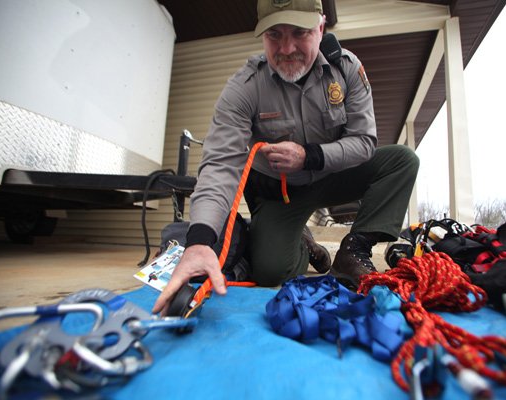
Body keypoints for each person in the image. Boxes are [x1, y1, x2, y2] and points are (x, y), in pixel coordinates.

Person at [153, 0, 419, 315]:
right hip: (280, 192)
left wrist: (310, 156)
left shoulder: (346, 69)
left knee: (402, 160)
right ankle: (304, 244)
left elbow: (364, 142)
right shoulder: (245, 87)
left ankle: (353, 250)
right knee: (270, 271)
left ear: (320, 28)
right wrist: (198, 241)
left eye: (300, 32)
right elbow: (220, 165)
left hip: (333, 175)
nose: (287, 47)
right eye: (274, 34)